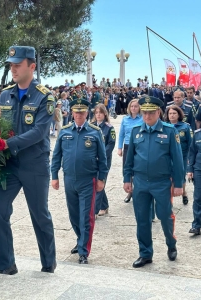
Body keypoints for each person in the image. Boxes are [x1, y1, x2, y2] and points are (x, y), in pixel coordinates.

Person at [0, 46, 56, 275]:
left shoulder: (44, 95)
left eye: (18, 65)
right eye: (11, 65)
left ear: (32, 66)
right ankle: (6, 264)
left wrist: (8, 144)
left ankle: (48, 262)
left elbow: (39, 132)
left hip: (34, 164)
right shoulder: (5, 94)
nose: (13, 69)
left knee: (39, 214)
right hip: (8, 165)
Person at [123, 96, 184, 268]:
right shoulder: (136, 131)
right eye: (144, 112)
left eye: (151, 112)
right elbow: (129, 159)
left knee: (165, 216)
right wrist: (127, 178)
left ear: (158, 112)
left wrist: (179, 184)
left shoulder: (170, 131)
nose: (147, 116)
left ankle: (171, 244)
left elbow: (177, 160)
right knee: (142, 219)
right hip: (141, 182)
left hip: (162, 182)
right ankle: (145, 253)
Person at [51, 98, 108, 264]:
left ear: (86, 113)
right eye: (76, 112)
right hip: (69, 179)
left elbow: (103, 159)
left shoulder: (95, 132)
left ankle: (83, 251)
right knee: (74, 215)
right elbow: (56, 155)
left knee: (86, 216)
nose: (78, 115)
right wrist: (54, 175)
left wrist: (101, 178)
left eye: (82, 112)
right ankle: (80, 239)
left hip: (87, 180)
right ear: (72, 113)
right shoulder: (65, 131)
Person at [91, 104, 115, 217]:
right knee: (96, 181)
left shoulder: (109, 128)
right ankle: (104, 206)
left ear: (105, 113)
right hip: (92, 159)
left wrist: (102, 156)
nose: (98, 115)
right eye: (96, 113)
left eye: (100, 112)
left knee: (100, 180)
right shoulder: (91, 126)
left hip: (104, 160)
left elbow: (111, 144)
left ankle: (95, 210)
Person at [164, 105, 192, 205]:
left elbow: (191, 143)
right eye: (170, 113)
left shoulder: (185, 126)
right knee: (169, 177)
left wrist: (189, 157)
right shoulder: (164, 126)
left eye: (174, 113)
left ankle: (184, 193)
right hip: (168, 156)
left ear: (179, 114)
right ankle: (169, 199)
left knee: (181, 175)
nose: (172, 115)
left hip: (182, 156)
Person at [118, 99, 142, 203]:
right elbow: (121, 134)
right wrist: (119, 148)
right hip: (127, 146)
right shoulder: (125, 119)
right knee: (127, 169)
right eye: (132, 106)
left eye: (136, 106)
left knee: (138, 169)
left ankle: (138, 191)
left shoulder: (142, 119)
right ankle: (130, 191)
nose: (133, 108)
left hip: (139, 146)